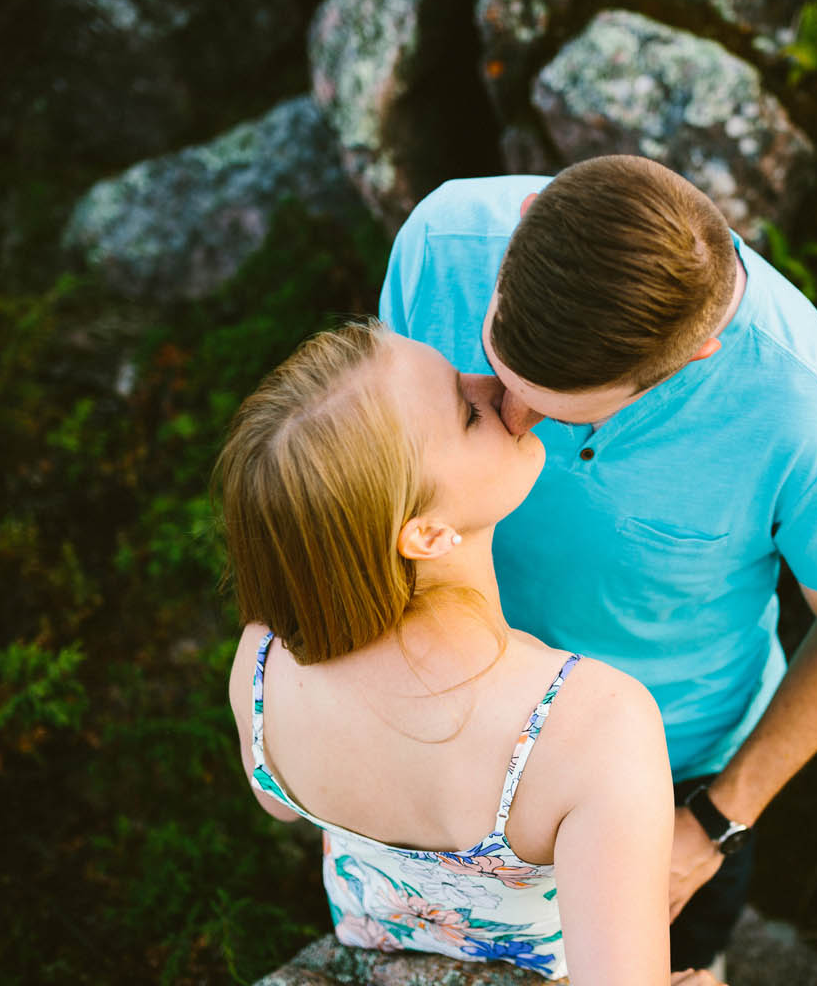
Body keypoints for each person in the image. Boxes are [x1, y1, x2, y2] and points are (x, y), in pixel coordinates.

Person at [380, 154, 817, 972]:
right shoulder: (442, 243)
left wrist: (714, 826)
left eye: (555, 411)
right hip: (450, 713)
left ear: (694, 357)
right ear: (524, 224)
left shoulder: (814, 426)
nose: (509, 420)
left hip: (667, 773)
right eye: (493, 371)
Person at [218, 320, 723, 985]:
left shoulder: (260, 666)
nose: (497, 384)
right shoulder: (592, 724)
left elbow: (278, 803)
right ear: (424, 534)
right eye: (463, 410)